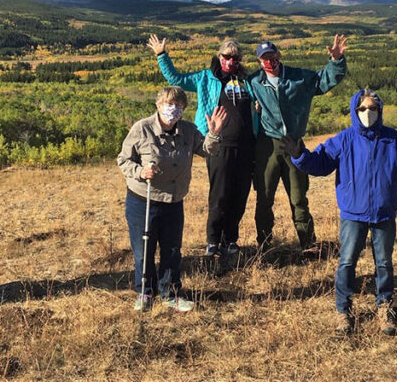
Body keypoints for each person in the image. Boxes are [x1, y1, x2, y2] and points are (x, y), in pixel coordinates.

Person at [285, 89, 397, 336]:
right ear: (354, 112)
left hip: (384, 213)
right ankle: (343, 311)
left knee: (384, 263)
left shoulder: (393, 139)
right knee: (347, 262)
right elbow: (320, 163)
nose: (367, 113)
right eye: (362, 109)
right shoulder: (344, 140)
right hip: (353, 213)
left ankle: (384, 307)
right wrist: (299, 154)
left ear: (380, 111)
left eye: (372, 108)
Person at [117, 86, 226, 312]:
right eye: (168, 104)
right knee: (143, 250)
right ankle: (145, 293)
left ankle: (171, 294)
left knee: (172, 250)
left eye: (178, 105)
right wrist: (141, 172)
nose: (173, 109)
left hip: (174, 200)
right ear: (158, 105)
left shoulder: (188, 130)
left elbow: (207, 150)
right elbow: (123, 160)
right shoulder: (142, 129)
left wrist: (214, 133)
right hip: (143, 200)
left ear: (184, 108)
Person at [148, 34, 255, 257]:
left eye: (235, 58)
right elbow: (175, 78)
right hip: (218, 143)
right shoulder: (206, 78)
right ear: (219, 56)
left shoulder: (247, 81)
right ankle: (213, 241)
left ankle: (231, 240)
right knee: (220, 194)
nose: (231, 61)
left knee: (240, 193)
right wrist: (162, 55)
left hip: (246, 146)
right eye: (227, 57)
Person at [249, 36, 347, 252]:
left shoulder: (298, 78)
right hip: (267, 145)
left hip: (294, 144)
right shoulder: (254, 82)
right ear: (258, 62)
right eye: (264, 58)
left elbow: (324, 80)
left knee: (299, 197)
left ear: (279, 56)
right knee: (264, 199)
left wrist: (336, 60)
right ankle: (264, 246)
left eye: (272, 56)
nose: (269, 62)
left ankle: (308, 243)